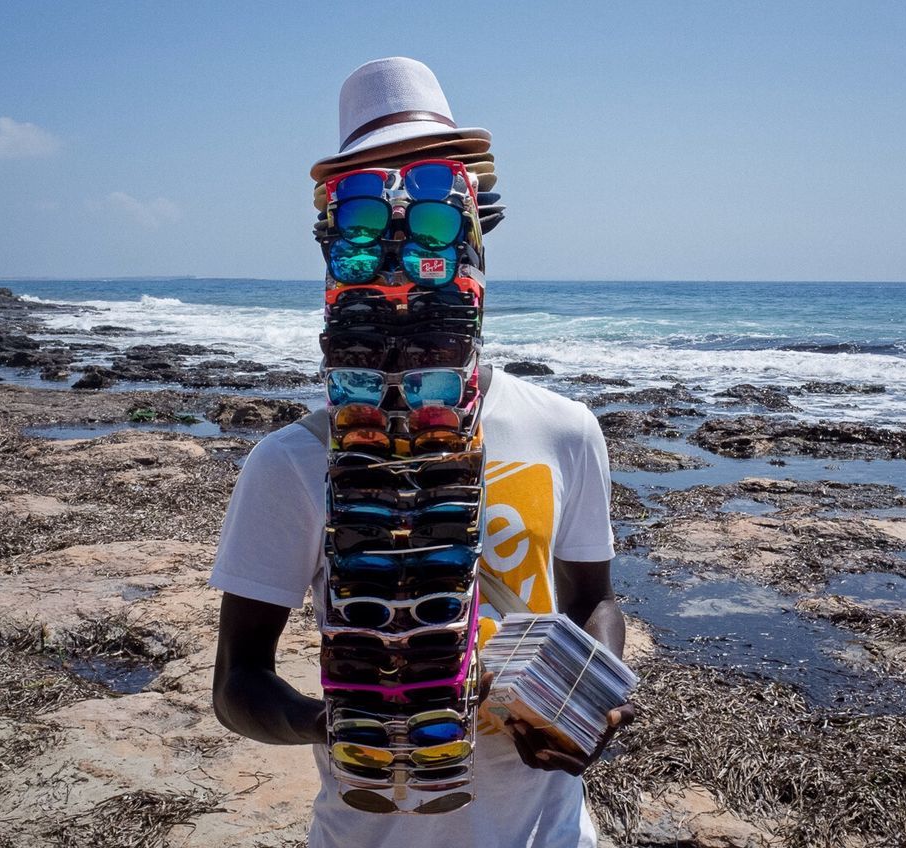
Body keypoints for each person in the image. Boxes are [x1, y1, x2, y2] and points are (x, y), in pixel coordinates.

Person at [210, 57, 634, 848]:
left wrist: (592, 690)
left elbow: (593, 601)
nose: (408, 242)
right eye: (372, 215)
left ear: (477, 232)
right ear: (337, 247)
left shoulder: (567, 430)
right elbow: (236, 683)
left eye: (435, 207)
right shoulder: (291, 463)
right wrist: (331, 722)